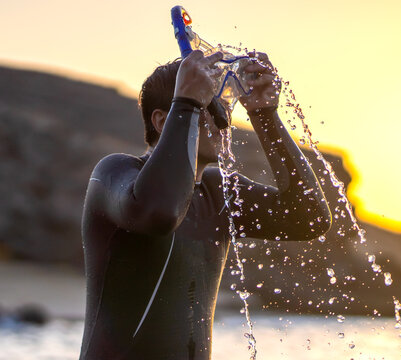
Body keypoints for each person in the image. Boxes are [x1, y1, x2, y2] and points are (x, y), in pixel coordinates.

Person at [79, 50, 332, 360]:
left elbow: (309, 218)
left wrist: (265, 116)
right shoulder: (115, 174)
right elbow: (161, 212)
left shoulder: (218, 191)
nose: (224, 121)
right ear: (162, 120)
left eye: (223, 106)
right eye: (208, 107)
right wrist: (186, 104)